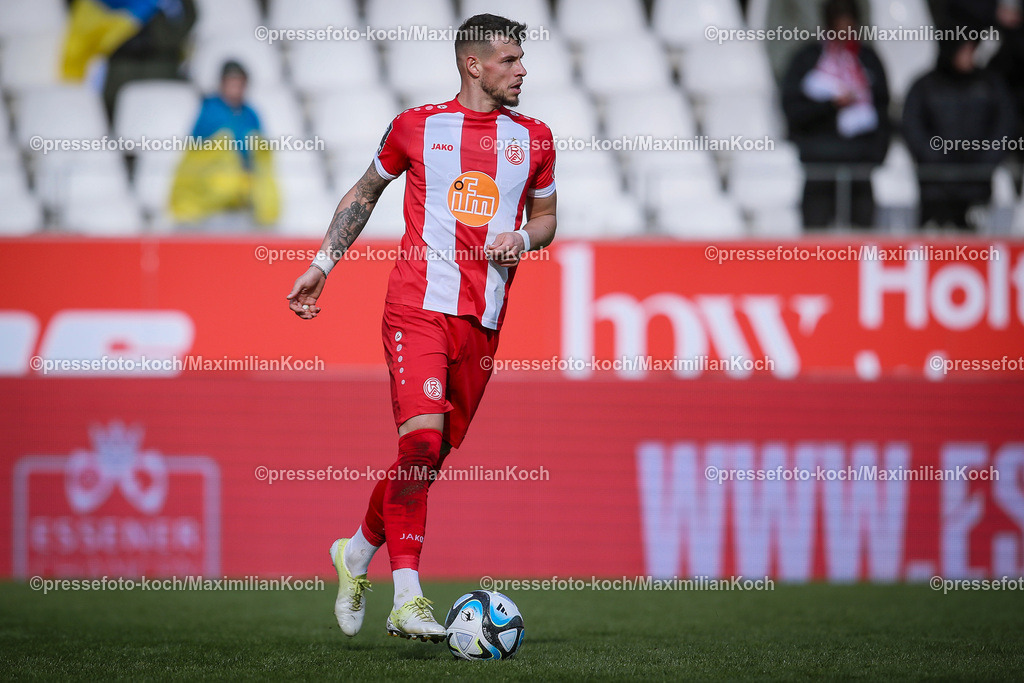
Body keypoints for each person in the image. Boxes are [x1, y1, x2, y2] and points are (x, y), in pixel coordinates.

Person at [285, 14, 556, 642]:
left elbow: (546, 218)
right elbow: (364, 192)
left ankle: (355, 552)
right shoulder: (416, 126)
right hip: (417, 308)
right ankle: (407, 598)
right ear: (473, 65)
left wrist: (523, 238)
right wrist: (322, 264)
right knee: (419, 448)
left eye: (521, 59)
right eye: (510, 60)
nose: (522, 70)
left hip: (483, 322)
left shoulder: (536, 138)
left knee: (427, 461)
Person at [781, 0, 890, 229]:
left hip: (860, 168)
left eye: (849, 27)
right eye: (839, 27)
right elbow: (793, 110)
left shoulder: (868, 61)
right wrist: (831, 106)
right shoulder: (808, 60)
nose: (844, 34)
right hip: (819, 166)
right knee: (816, 239)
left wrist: (875, 155)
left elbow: (883, 112)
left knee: (862, 240)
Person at [902, 37, 1017, 229]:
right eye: (963, 50)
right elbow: (912, 127)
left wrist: (984, 163)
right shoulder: (925, 86)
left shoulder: (990, 84)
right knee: (936, 240)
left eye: (972, 50)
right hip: (935, 187)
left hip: (977, 185)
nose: (969, 56)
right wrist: (937, 160)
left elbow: (1005, 126)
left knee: (977, 240)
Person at [170, 60, 279, 228]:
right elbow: (199, 160)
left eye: (239, 83)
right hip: (210, 203)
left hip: (244, 201)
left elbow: (261, 159)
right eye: (231, 82)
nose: (235, 88)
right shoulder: (210, 112)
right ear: (222, 84)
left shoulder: (251, 114)